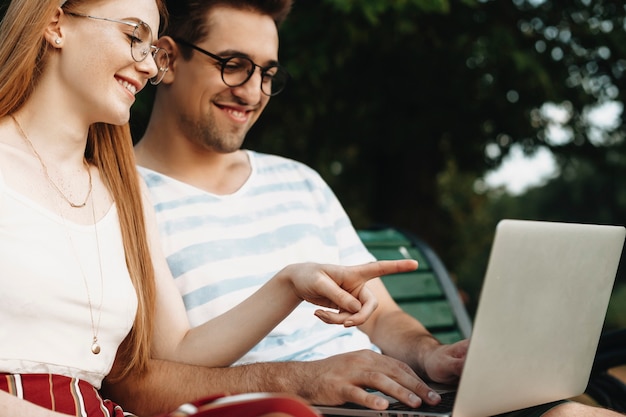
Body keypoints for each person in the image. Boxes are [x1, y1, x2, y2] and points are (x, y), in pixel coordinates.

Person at [109, 0, 626, 416]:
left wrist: (429, 354)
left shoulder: (301, 182)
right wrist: (304, 380)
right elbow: (141, 385)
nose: (252, 92)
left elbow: (382, 317)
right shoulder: (119, 195)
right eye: (233, 65)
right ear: (168, 59)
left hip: (385, 402)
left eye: (267, 73)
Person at [0, 0, 420, 416]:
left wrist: (291, 284)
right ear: (55, 22)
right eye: (133, 36)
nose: (149, 67)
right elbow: (139, 380)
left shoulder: (123, 191)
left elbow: (179, 349)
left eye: (150, 49)